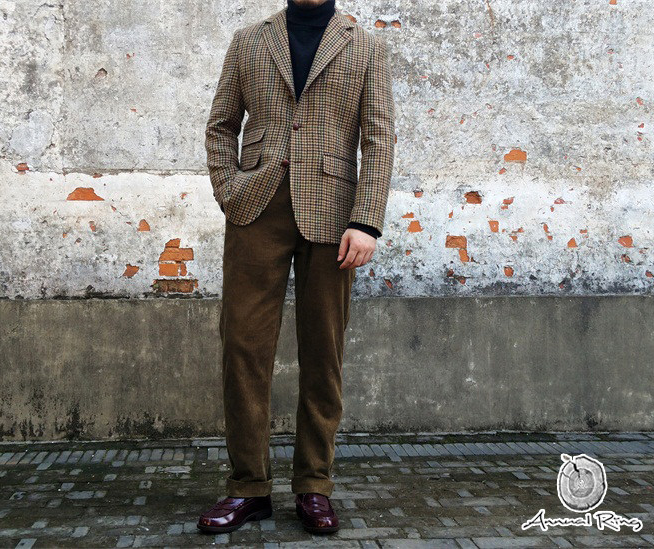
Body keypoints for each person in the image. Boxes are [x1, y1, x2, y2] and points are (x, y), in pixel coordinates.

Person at [199, 0, 395, 535]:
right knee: (243, 347)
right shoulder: (249, 40)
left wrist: (367, 221)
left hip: (333, 216)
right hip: (256, 209)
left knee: (323, 351)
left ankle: (314, 484)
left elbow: (379, 139)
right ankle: (248, 487)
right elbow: (221, 126)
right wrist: (229, 188)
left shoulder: (366, 46)